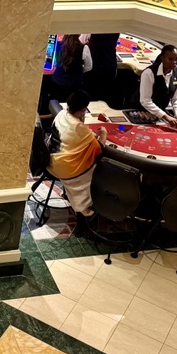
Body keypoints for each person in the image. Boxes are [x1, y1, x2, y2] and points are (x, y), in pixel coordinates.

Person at [48, 90, 106, 218]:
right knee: (97, 169)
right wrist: (104, 134)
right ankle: (82, 207)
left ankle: (73, 198)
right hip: (63, 168)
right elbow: (98, 148)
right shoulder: (78, 126)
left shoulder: (61, 114)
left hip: (50, 160)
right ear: (83, 109)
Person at [138, 44, 177, 131]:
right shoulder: (149, 73)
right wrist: (166, 117)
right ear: (162, 58)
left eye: (176, 59)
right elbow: (145, 101)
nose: (174, 62)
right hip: (140, 110)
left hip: (160, 112)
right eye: (170, 59)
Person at [51, 35, 92, 100]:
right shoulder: (84, 48)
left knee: (57, 106)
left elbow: (56, 63)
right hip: (74, 85)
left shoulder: (58, 45)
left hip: (57, 82)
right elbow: (89, 67)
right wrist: (78, 70)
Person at [83, 33, 120, 104]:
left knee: (93, 96)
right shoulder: (115, 29)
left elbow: (82, 40)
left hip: (96, 65)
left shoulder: (94, 29)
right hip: (109, 64)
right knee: (106, 96)